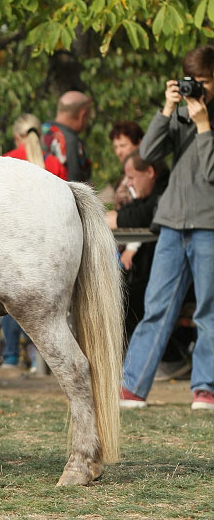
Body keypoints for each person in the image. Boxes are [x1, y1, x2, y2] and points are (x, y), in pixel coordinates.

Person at [120, 45, 214, 410]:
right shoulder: (180, 116)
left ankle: (205, 388)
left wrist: (205, 127)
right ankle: (132, 387)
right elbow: (150, 154)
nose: (197, 90)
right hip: (173, 224)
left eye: (203, 82)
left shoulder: (204, 121)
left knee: (208, 312)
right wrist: (167, 110)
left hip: (208, 225)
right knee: (156, 306)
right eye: (192, 81)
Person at [0, 113, 64, 371]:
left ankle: (11, 356)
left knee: (8, 303)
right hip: (47, 245)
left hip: (13, 245)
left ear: (17, 137)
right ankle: (42, 359)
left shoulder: (6, 162)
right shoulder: (54, 164)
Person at [104, 150, 169, 345]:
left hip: (157, 280)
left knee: (124, 300)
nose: (129, 183)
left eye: (131, 177)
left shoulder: (166, 190)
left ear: (149, 172)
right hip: (146, 275)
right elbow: (138, 208)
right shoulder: (153, 190)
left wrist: (120, 218)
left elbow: (149, 213)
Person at [42, 91, 93, 182]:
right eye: (88, 117)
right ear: (82, 115)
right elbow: (75, 184)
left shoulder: (40, 132)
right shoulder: (71, 142)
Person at [106, 121, 145, 209]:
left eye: (123, 146)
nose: (118, 152)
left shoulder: (147, 174)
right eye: (116, 147)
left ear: (139, 143)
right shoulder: (124, 176)